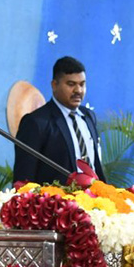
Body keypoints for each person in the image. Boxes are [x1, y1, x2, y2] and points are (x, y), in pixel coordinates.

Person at [14, 56, 105, 184]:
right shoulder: (36, 122)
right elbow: (24, 178)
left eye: (82, 84)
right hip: (58, 202)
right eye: (71, 84)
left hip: (93, 200)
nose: (78, 90)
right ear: (54, 85)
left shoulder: (89, 117)